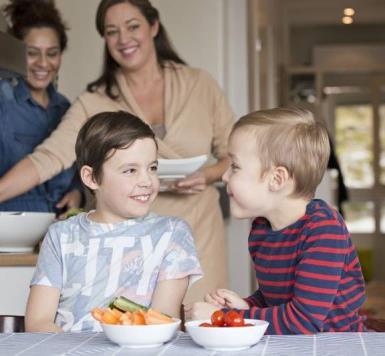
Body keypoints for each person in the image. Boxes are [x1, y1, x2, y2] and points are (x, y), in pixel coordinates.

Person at [0, 0, 234, 302]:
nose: (123, 39)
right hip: (130, 247)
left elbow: (233, 154)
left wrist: (209, 174)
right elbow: (48, 158)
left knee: (201, 326)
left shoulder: (200, 84)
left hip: (199, 229)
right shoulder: (95, 101)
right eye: (112, 31)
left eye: (132, 26)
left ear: (153, 26)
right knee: (134, 331)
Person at [187, 107, 367, 334]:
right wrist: (248, 305)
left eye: (235, 167)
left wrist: (222, 317)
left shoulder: (324, 229)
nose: (224, 177)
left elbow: (302, 321)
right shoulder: (262, 229)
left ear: (276, 179)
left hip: (339, 345)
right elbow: (278, 296)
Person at [25, 111, 202, 332]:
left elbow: (163, 321)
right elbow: (38, 322)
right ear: (91, 177)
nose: (147, 181)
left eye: (152, 168)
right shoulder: (61, 235)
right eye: (130, 170)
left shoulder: (172, 233)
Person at [0, 0, 82, 213]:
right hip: (9, 227)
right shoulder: (3, 101)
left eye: (52, 53)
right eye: (32, 53)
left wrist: (77, 193)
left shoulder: (67, 108)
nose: (43, 63)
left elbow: (73, 167)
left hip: (57, 229)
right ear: (18, 53)